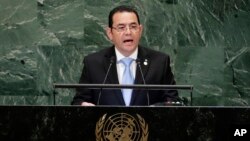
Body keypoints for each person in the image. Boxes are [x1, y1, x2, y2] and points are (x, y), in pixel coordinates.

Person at [71, 5, 180, 106]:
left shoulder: (159, 62)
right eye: (121, 27)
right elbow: (79, 101)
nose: (128, 32)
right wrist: (82, 105)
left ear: (140, 30)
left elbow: (173, 101)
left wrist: (159, 108)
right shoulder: (93, 63)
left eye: (133, 26)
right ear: (110, 33)